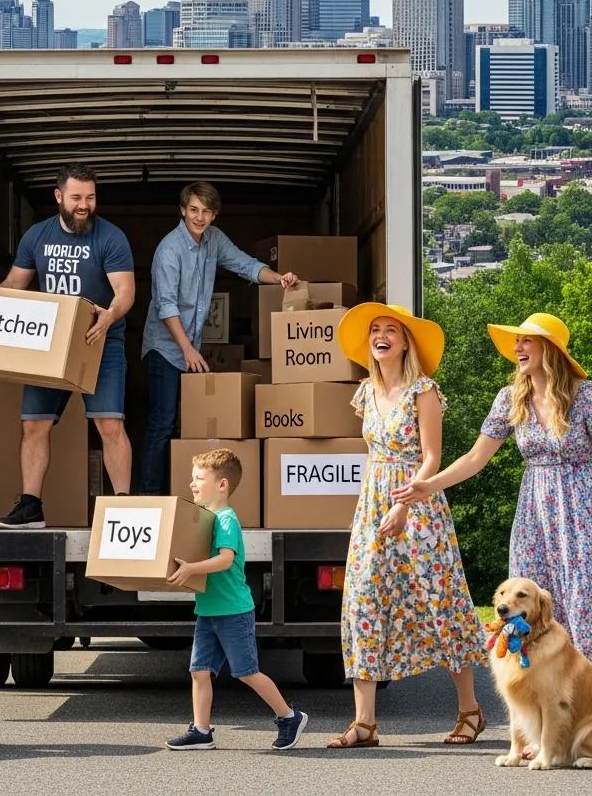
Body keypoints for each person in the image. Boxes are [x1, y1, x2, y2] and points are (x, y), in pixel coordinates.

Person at [393, 312, 592, 694]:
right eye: (517, 341)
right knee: (528, 604)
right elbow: (475, 459)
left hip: (583, 507)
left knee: (584, 603)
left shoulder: (587, 394)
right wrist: (429, 485)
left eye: (527, 340)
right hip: (534, 511)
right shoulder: (511, 398)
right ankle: (541, 701)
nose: (517, 348)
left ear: (551, 349)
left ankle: (589, 700)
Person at [328, 304, 486, 750]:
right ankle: (364, 723)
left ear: (404, 342)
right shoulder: (365, 392)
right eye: (375, 330)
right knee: (363, 600)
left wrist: (407, 503)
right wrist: (378, 504)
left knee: (440, 599)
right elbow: (375, 452)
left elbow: (432, 455)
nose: (380, 336)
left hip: (418, 500)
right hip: (374, 502)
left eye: (390, 330)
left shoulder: (424, 391)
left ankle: (470, 710)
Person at [0, 163, 135, 528]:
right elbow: (14, 282)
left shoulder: (111, 237)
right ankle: (31, 507)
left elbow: (125, 292)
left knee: (110, 424)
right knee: (34, 425)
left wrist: (109, 316)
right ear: (59, 197)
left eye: (90, 197)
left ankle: (122, 504)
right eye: (76, 197)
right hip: (50, 342)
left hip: (98, 340)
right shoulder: (36, 237)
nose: (84, 205)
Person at [139, 181, 297, 494]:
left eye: (206, 211)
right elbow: (165, 305)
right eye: (194, 210)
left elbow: (244, 264)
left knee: (184, 423)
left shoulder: (213, 240)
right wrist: (187, 349)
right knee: (163, 422)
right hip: (164, 348)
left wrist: (279, 278)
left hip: (189, 348)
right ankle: (149, 495)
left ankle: (179, 492)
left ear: (214, 215)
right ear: (183, 210)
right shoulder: (169, 250)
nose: (200, 217)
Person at [164, 448, 308, 751]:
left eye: (199, 478)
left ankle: (289, 716)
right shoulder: (206, 518)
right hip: (208, 609)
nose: (192, 484)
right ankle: (201, 730)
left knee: (246, 672)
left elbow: (225, 560)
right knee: (199, 671)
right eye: (192, 478)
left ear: (222, 485)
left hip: (233, 611)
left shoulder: (226, 519)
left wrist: (190, 569)